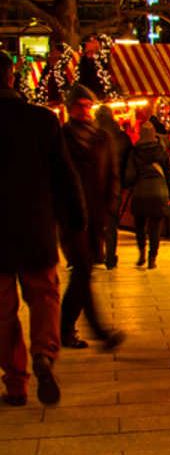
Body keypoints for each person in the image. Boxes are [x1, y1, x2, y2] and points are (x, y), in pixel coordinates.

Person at [0, 50, 86, 406]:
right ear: (10, 77)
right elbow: (64, 176)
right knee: (44, 294)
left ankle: (16, 382)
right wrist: (75, 218)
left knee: (2, 311)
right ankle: (44, 354)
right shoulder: (41, 121)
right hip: (35, 224)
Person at [59, 85, 124, 351]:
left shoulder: (102, 138)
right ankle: (97, 331)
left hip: (96, 216)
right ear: (70, 107)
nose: (85, 110)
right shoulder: (61, 137)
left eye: (88, 105)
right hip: (71, 216)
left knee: (83, 273)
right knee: (83, 270)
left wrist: (110, 207)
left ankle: (64, 329)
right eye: (80, 105)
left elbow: (112, 174)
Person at [125, 122, 170, 269]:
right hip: (159, 192)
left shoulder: (135, 152)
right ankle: (152, 258)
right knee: (155, 227)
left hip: (141, 193)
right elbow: (168, 173)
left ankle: (142, 253)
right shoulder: (161, 151)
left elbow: (130, 175)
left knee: (139, 226)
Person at [96, 105, 132, 269]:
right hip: (115, 185)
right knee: (111, 224)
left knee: (95, 222)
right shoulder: (122, 137)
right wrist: (126, 182)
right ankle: (110, 256)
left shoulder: (93, 136)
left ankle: (97, 254)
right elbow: (129, 163)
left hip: (95, 185)